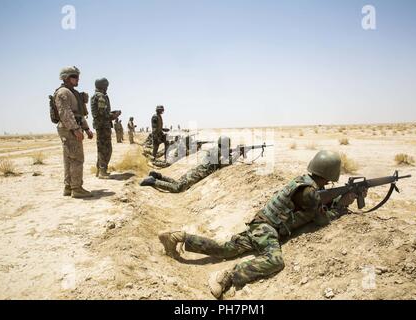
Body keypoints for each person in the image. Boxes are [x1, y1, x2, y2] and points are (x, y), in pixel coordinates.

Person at [157, 150, 368, 298]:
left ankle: (179, 237)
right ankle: (227, 277)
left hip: (260, 224)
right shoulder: (311, 193)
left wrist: (338, 200)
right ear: (332, 174)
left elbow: (315, 205)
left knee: (225, 248)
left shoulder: (303, 180)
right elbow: (321, 219)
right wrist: (342, 206)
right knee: (275, 261)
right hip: (269, 230)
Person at [140, 136, 240, 193]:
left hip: (197, 171)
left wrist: (233, 153)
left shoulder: (216, 149)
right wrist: (238, 153)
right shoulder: (218, 151)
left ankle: (158, 175)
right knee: (177, 188)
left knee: (177, 182)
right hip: (199, 173)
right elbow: (224, 163)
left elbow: (223, 158)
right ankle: (153, 181)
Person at [54, 66, 94, 198]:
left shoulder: (72, 92)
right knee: (76, 158)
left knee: (69, 158)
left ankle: (68, 187)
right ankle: (76, 188)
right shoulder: (63, 92)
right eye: (74, 76)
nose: (78, 79)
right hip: (69, 128)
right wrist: (75, 129)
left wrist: (87, 129)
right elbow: (65, 113)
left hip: (71, 127)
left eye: (77, 76)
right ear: (66, 78)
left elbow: (78, 114)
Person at [90, 78, 121, 178]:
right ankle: (102, 171)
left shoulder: (98, 96)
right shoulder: (100, 96)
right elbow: (102, 114)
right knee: (105, 149)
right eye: (106, 85)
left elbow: (101, 112)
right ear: (103, 86)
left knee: (102, 148)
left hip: (101, 125)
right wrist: (113, 116)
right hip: (103, 126)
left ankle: (100, 170)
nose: (107, 87)